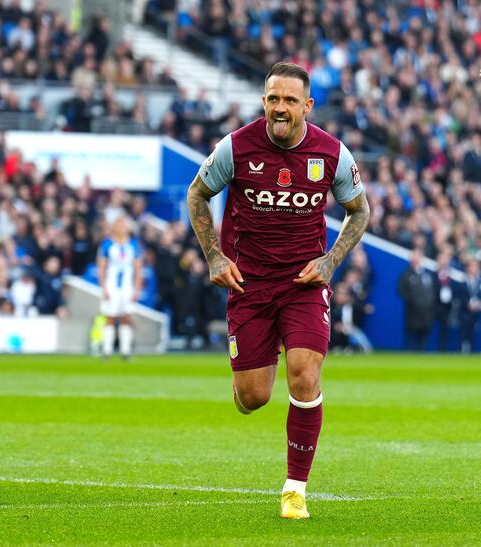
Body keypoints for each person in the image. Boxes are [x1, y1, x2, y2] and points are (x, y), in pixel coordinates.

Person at [186, 62, 370, 519]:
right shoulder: (235, 147)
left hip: (303, 284)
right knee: (253, 398)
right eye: (273, 99)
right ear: (263, 101)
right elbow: (196, 194)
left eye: (290, 100)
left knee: (305, 373)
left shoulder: (332, 154)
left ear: (307, 105)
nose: (280, 108)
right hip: (248, 284)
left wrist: (330, 262)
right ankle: (243, 373)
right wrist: (214, 257)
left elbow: (359, 211)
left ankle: (295, 489)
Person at [97, 216, 144, 359]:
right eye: (118, 225)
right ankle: (107, 349)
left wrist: (137, 289)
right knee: (109, 317)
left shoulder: (134, 246)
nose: (121, 228)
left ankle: (125, 350)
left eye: (124, 225)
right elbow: (102, 268)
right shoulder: (106, 245)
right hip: (112, 285)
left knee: (127, 317)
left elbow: (138, 270)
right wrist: (104, 287)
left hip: (127, 286)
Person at [397, 249, 436, 351]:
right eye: (414, 257)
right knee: (411, 338)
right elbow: (400, 291)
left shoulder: (427, 275)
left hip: (426, 312)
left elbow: (431, 291)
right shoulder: (406, 274)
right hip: (412, 312)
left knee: (424, 338)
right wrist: (413, 301)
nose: (416, 260)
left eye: (418, 257)